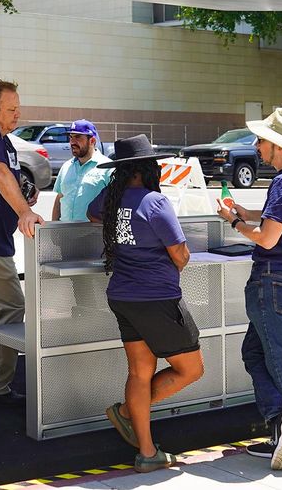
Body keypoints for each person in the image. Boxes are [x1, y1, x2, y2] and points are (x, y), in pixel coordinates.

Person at [88, 134, 204, 473]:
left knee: (140, 372)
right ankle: (126, 412)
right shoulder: (155, 202)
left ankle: (147, 451)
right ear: (148, 167)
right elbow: (180, 255)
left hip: (122, 296)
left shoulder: (111, 197)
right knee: (192, 369)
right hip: (157, 298)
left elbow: (93, 212)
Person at [216, 107, 282, 471]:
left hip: (272, 280)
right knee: (256, 353)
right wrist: (244, 211)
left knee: (280, 362)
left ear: (278, 145)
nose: (256, 146)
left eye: (261, 140)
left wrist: (232, 220)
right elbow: (280, 222)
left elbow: (267, 238)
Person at [0, 78, 43, 406]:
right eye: (11, 109)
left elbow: (7, 179)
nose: (18, 114)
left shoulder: (5, 140)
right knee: (11, 309)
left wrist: (24, 199)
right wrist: (24, 211)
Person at [51, 119, 112, 222]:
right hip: (64, 234)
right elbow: (59, 199)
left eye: (78, 137)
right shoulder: (66, 166)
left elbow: (114, 204)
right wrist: (53, 228)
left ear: (92, 141)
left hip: (92, 235)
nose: (72, 142)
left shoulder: (107, 167)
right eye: (71, 137)